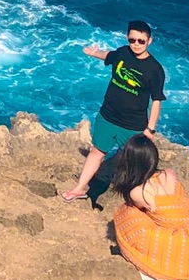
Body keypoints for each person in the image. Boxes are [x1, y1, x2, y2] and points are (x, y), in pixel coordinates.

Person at [62, 20, 166, 201]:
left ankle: (141, 198)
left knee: (134, 162)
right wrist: (95, 54)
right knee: (97, 152)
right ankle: (79, 189)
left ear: (149, 41)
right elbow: (110, 56)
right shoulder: (123, 53)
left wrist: (150, 129)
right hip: (107, 116)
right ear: (127, 37)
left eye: (141, 41)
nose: (136, 44)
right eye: (132, 40)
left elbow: (156, 100)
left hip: (133, 125)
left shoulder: (155, 69)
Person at [108, 133, 189, 280]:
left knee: (127, 213)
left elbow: (141, 210)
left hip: (177, 238)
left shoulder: (138, 192)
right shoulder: (168, 173)